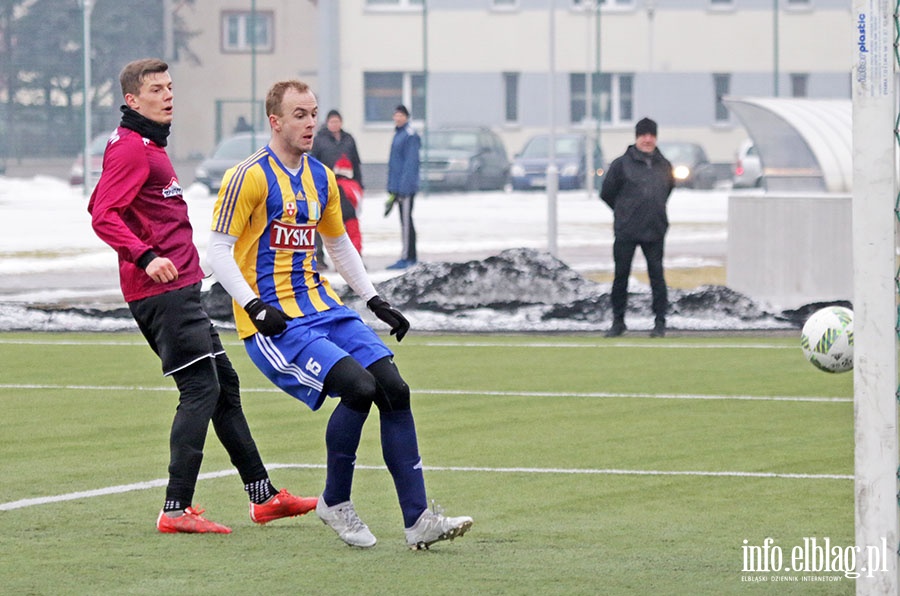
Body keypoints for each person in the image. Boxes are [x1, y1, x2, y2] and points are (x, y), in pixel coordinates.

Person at [206, 79, 473, 550]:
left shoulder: (321, 177)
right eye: (300, 115)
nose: (310, 123)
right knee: (358, 387)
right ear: (276, 121)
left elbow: (338, 243)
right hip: (275, 323)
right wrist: (252, 305)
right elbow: (218, 250)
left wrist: (374, 298)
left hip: (323, 307)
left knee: (394, 388)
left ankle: (418, 521)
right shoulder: (247, 176)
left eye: (313, 113)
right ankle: (335, 501)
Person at [88, 58, 318, 534]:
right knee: (201, 390)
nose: (168, 95)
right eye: (156, 89)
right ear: (133, 100)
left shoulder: (147, 143)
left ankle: (264, 497)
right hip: (163, 292)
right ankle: (176, 508)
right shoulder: (132, 149)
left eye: (170, 87)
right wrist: (145, 255)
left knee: (224, 389)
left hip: (181, 290)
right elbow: (102, 213)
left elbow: (112, 206)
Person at [599, 117, 675, 338]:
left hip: (655, 229)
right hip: (627, 229)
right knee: (621, 276)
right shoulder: (621, 164)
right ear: (636, 137)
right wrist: (624, 210)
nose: (647, 139)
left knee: (657, 277)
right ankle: (618, 321)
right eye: (643, 135)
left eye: (651, 135)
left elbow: (667, 190)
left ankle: (660, 322)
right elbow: (607, 193)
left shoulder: (664, 164)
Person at [310, 109, 365, 262]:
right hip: (325, 186)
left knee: (349, 219)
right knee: (320, 220)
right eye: (332, 121)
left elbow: (356, 162)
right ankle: (319, 257)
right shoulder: (319, 140)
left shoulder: (348, 139)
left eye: (337, 121)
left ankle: (353, 256)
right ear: (327, 123)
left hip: (346, 187)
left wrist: (360, 185)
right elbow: (313, 163)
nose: (335, 124)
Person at [384, 104, 421, 270]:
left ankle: (407, 256)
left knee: (406, 222)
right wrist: (392, 187)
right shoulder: (398, 134)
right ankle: (410, 255)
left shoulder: (409, 135)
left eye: (400, 115)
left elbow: (410, 164)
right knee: (405, 221)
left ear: (406, 117)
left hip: (405, 189)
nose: (397, 118)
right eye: (395, 115)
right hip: (398, 186)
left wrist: (404, 188)